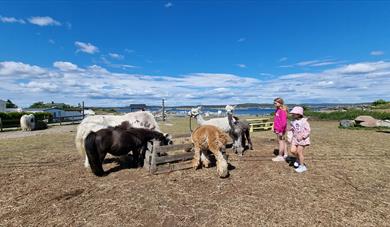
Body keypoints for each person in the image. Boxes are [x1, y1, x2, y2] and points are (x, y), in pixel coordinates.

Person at [289, 106, 311, 173]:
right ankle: (298, 159)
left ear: (298, 114)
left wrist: (303, 136)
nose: (292, 115)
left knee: (299, 152)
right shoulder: (293, 122)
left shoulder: (304, 122)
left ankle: (302, 166)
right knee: (292, 151)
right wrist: (290, 135)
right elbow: (293, 129)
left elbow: (308, 130)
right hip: (295, 138)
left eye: (294, 113)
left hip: (302, 140)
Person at [272, 97, 288, 161]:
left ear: (280, 103)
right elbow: (276, 119)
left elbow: (284, 122)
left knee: (280, 142)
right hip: (277, 129)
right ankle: (285, 154)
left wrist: (281, 131)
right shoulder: (277, 110)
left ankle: (280, 156)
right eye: (274, 103)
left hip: (280, 130)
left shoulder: (282, 111)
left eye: (276, 103)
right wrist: (273, 127)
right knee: (283, 141)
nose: (274, 104)